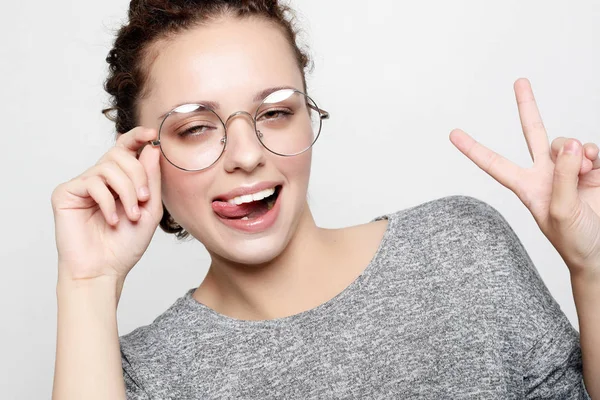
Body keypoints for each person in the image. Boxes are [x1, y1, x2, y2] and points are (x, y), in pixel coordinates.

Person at [51, 1, 600, 399]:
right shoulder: (141, 377)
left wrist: (593, 267)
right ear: (141, 157)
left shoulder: (462, 246)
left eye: (275, 112)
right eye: (196, 127)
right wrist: (88, 285)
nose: (245, 154)